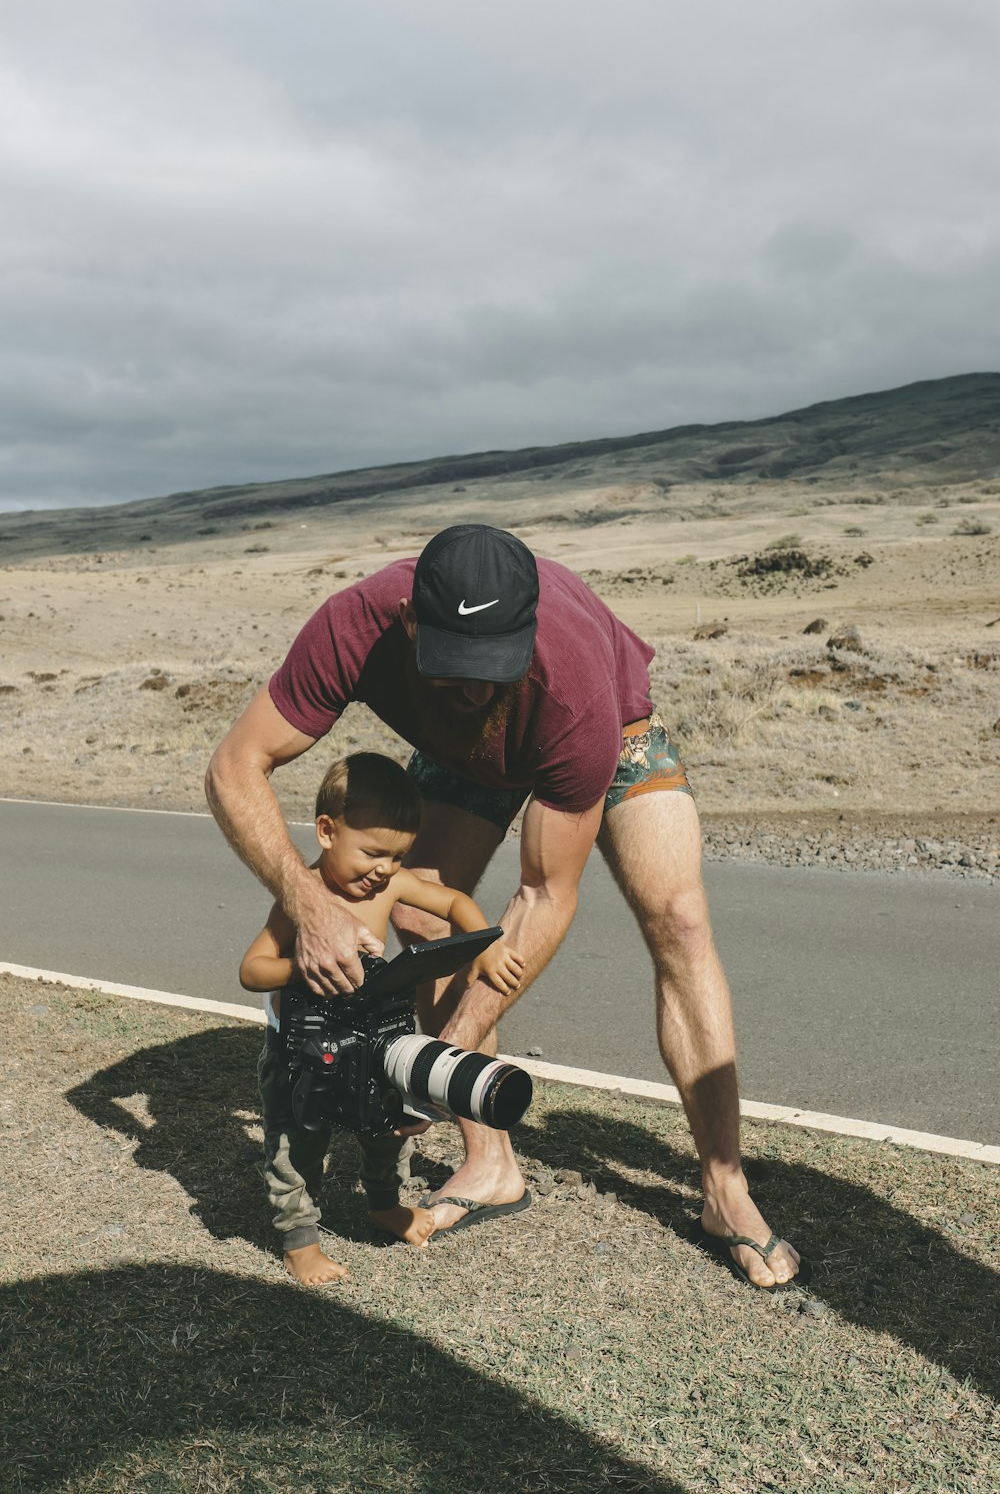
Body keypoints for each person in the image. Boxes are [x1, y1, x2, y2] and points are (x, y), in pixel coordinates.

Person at [207, 523, 805, 1291]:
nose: (473, 687)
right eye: (455, 667)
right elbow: (234, 764)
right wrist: (308, 905)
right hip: (468, 754)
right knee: (422, 920)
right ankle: (490, 1164)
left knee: (679, 921)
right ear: (411, 622)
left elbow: (545, 894)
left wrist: (436, 1060)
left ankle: (727, 1192)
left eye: (493, 667)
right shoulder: (354, 627)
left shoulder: (571, 689)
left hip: (605, 736)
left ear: (524, 634)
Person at [238, 749, 525, 1285]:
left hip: (371, 1037)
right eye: (372, 853)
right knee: (299, 1143)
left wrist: (482, 945)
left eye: (398, 856)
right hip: (302, 1049)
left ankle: (385, 1205)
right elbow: (251, 971)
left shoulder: (390, 883)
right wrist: (304, 968)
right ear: (327, 831)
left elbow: (454, 901)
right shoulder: (302, 894)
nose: (385, 871)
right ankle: (299, 1240)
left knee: (390, 1130)